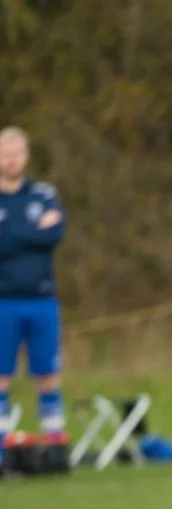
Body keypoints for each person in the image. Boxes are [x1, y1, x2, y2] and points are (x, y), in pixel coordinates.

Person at [0, 126, 68, 462]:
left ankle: (55, 446)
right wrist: (31, 232)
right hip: (3, 302)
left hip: (42, 299)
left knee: (47, 374)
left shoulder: (43, 193)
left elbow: (54, 234)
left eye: (17, 153)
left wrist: (12, 235)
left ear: (26, 157)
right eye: (5, 154)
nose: (11, 160)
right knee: (1, 378)